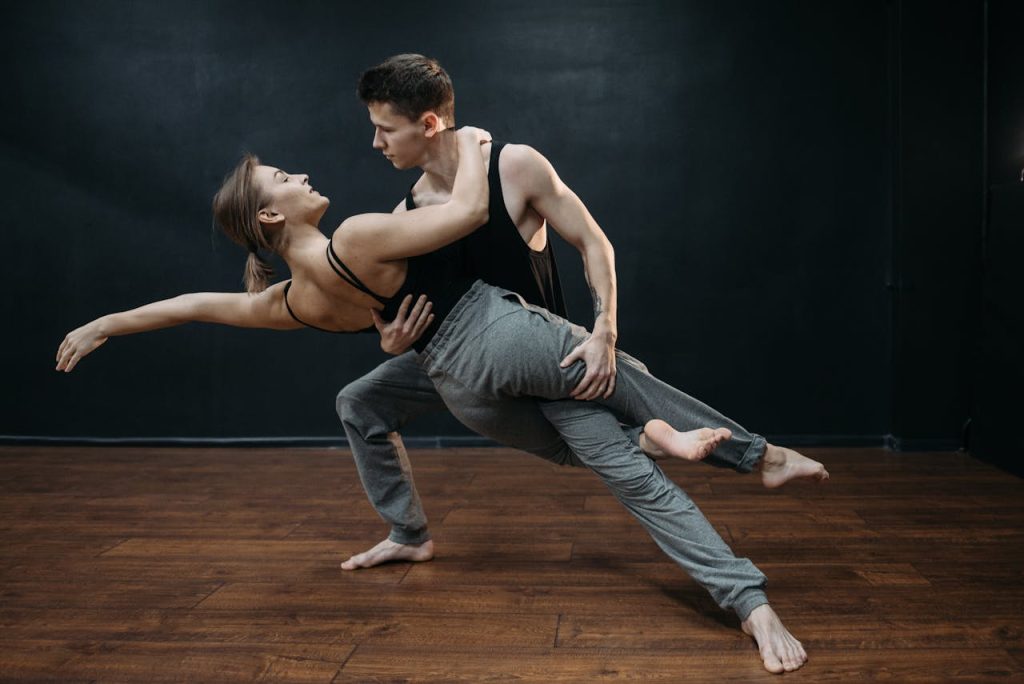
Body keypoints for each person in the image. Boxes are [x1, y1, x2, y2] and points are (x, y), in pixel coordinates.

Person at [57, 126, 819, 672]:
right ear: (270, 216)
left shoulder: (289, 302)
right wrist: (475, 142)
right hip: (487, 342)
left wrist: (105, 325)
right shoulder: (359, 234)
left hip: (451, 381)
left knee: (362, 402)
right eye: (284, 179)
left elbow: (191, 304)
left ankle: (414, 530)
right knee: (616, 366)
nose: (301, 174)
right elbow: (467, 214)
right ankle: (747, 457)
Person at [338, 55, 822, 580]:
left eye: (385, 129)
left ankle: (747, 472)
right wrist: (392, 341)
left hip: (545, 362)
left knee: (624, 461)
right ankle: (408, 535)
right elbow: (407, 312)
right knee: (360, 402)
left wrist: (603, 331)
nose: (377, 144)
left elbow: (594, 243)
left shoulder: (514, 166)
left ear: (428, 124)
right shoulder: (406, 213)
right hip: (461, 368)